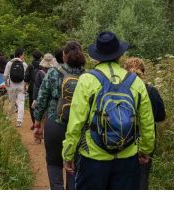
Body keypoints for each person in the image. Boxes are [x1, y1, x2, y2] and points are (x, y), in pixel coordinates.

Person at [62, 31, 155, 190]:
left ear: (96, 56)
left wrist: (68, 154)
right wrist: (146, 149)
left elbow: (75, 123)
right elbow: (147, 121)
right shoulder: (135, 82)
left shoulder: (87, 80)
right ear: (120, 55)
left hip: (93, 157)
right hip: (128, 156)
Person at [34, 41, 85, 190]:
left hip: (55, 123)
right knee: (74, 165)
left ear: (63, 55)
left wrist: (37, 123)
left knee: (54, 163)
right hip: (78, 126)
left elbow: (42, 99)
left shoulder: (53, 73)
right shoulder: (87, 76)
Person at [124, 57, 166, 189]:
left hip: (123, 139)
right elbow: (161, 116)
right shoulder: (151, 91)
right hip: (146, 139)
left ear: (125, 72)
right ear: (143, 71)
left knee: (123, 178)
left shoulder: (121, 91)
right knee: (142, 178)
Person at [4, 48, 27, 127]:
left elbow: (5, 75)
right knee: (21, 103)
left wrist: (7, 84)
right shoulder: (24, 64)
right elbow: (26, 77)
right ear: (20, 55)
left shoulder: (9, 63)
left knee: (12, 102)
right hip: (21, 86)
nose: (24, 56)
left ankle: (9, 118)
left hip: (12, 86)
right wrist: (25, 86)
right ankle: (19, 121)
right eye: (23, 54)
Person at [24, 50, 43, 130]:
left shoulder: (30, 66)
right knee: (42, 105)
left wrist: (25, 86)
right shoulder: (43, 65)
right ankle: (41, 123)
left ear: (33, 57)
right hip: (42, 88)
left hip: (32, 88)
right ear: (41, 57)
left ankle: (34, 123)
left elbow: (26, 78)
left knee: (32, 106)